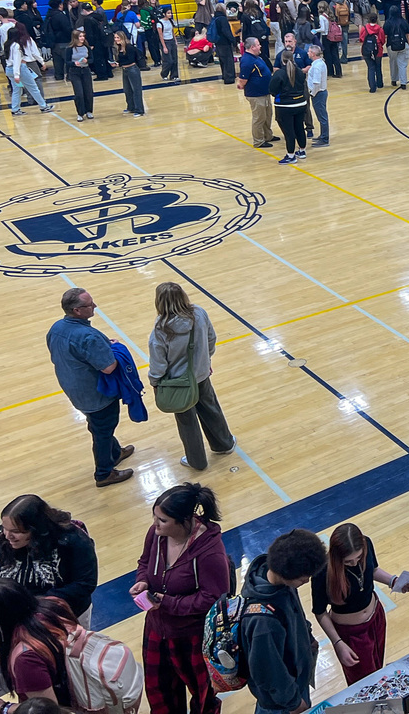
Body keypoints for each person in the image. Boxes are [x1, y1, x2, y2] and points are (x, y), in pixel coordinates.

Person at [131, 484, 230, 714]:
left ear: (184, 520)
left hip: (192, 636)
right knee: (159, 695)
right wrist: (143, 580)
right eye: (155, 517)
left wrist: (167, 602)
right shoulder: (156, 535)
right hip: (157, 629)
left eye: (162, 520)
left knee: (203, 697)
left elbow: (214, 597)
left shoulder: (210, 551)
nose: (155, 524)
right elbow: (144, 562)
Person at [46, 287, 135, 487]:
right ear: (77, 310)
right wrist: (115, 348)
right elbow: (108, 367)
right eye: (89, 305)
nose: (95, 306)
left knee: (98, 425)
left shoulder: (56, 328)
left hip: (73, 388)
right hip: (96, 393)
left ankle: (115, 452)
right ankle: (104, 473)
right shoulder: (88, 336)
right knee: (102, 430)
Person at [312, 524, 409, 686]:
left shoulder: (366, 544)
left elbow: (372, 570)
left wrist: (393, 581)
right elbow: (320, 612)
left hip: (376, 618)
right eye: (348, 561)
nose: (354, 563)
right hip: (350, 634)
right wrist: (338, 643)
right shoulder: (322, 571)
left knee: (377, 668)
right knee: (365, 683)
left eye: (358, 558)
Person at [0, 495, 98, 625]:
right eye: (5, 528)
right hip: (14, 616)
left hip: (65, 616)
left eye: (16, 531)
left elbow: (85, 582)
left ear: (36, 529)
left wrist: (36, 604)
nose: (8, 536)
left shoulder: (72, 540)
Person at [148, 283, 235, 471]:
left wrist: (155, 382)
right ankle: (224, 444)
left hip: (177, 383)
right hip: (202, 374)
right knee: (211, 409)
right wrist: (205, 360)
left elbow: (158, 361)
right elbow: (211, 338)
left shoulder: (161, 327)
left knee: (187, 422)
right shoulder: (199, 313)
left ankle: (197, 461)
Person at [241, 529, 328, 714]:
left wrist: (308, 634)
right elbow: (266, 671)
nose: (307, 579)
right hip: (281, 703)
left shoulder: (281, 579)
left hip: (295, 684)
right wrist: (294, 702)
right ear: (287, 573)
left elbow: (295, 612)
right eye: (304, 577)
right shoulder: (263, 621)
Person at [0, 579, 77, 707]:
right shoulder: (54, 605)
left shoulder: (25, 660)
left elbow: (47, 711)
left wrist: (2, 707)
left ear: (0, 617)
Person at [5, 26, 54, 116]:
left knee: (17, 90)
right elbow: (16, 62)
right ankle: (44, 106)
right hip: (19, 69)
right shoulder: (16, 46)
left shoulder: (7, 44)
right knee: (33, 88)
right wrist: (17, 75)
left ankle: (15, 109)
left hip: (9, 69)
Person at [270, 53, 308, 165]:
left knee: (289, 132)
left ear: (282, 60)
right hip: (301, 104)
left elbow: (272, 90)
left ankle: (291, 156)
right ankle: (302, 151)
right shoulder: (300, 72)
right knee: (299, 127)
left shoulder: (279, 74)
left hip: (285, 106)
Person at [238, 38, 275, 149]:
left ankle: (268, 136)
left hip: (265, 92)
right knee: (259, 118)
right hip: (256, 94)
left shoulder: (256, 57)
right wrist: (241, 85)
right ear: (252, 47)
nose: (260, 46)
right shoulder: (247, 61)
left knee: (267, 116)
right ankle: (258, 141)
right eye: (258, 45)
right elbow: (243, 79)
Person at [111, 29, 145, 117]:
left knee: (136, 90)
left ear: (122, 37)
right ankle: (131, 107)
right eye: (115, 38)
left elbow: (130, 59)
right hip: (125, 70)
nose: (116, 39)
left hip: (132, 69)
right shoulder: (119, 48)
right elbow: (121, 59)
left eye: (118, 37)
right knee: (127, 90)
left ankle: (139, 109)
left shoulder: (129, 47)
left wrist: (119, 64)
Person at [64, 28, 94, 122]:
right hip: (75, 72)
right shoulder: (69, 49)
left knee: (88, 92)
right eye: (80, 36)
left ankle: (89, 110)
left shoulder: (87, 47)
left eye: (83, 36)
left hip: (85, 71)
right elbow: (67, 61)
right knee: (79, 93)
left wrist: (87, 61)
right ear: (75, 37)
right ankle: (80, 113)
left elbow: (92, 59)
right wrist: (74, 63)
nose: (82, 38)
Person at [306, 44, 329, 148]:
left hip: (318, 93)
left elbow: (316, 82)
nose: (307, 53)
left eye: (309, 51)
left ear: (313, 54)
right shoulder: (319, 63)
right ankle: (323, 135)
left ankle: (325, 139)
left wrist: (312, 93)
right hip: (320, 92)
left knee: (322, 117)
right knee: (321, 116)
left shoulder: (317, 66)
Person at [383, 5, 409, 88]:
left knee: (393, 63)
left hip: (391, 45)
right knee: (402, 64)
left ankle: (394, 80)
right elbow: (408, 33)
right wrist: (408, 43)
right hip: (403, 44)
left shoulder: (387, 22)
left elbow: (385, 34)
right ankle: (403, 83)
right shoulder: (403, 21)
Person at [359, 19, 385, 93]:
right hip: (378, 50)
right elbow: (383, 40)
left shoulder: (364, 28)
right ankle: (380, 83)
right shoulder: (380, 29)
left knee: (370, 68)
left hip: (366, 50)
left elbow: (361, 39)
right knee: (378, 66)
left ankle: (372, 87)